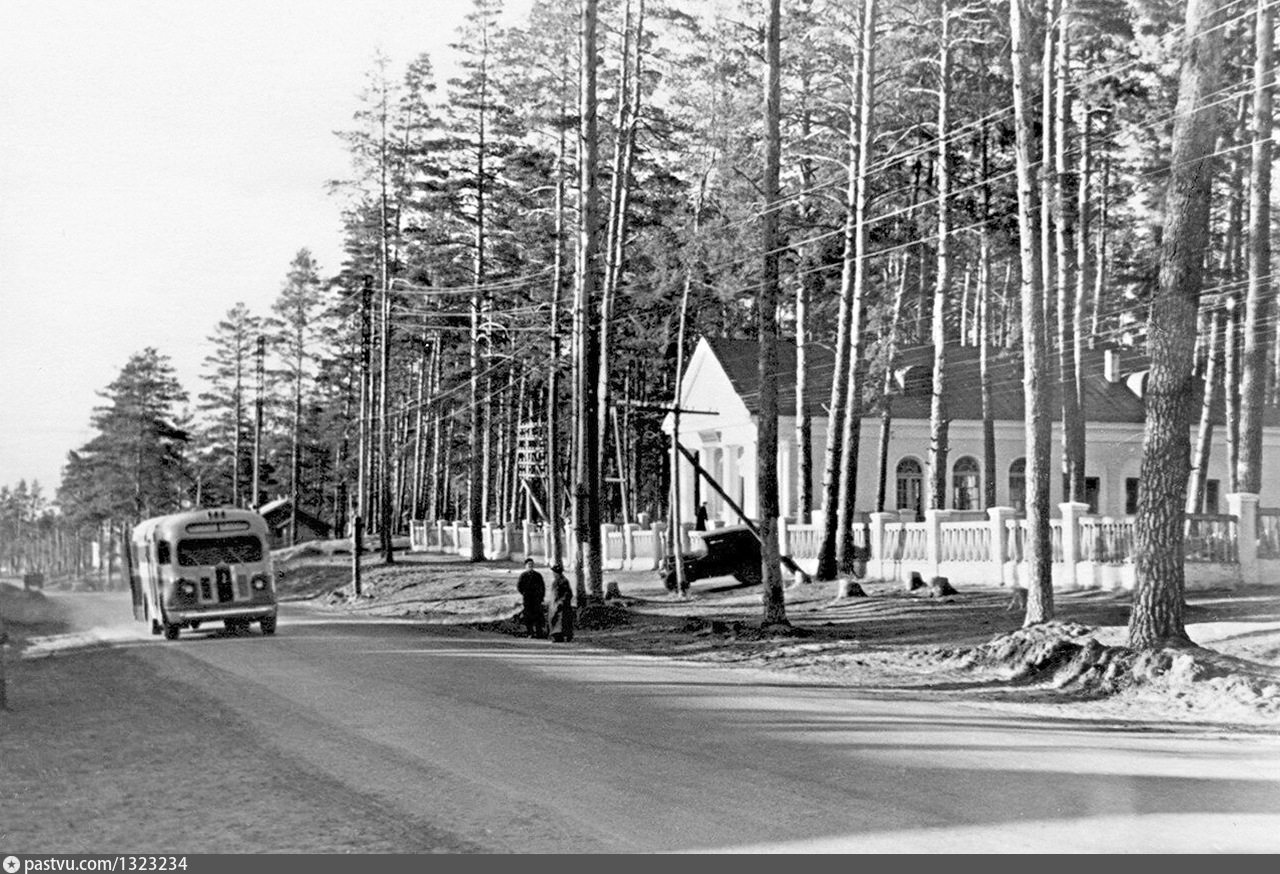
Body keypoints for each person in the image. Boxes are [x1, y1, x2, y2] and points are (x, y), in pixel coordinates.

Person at [516, 558, 547, 638]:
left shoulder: (538, 575)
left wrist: (541, 596)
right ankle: (530, 632)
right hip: (528, 600)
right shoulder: (523, 576)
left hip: (537, 599)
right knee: (528, 617)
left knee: (538, 617)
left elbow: (542, 587)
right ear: (525, 566)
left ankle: (539, 632)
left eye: (532, 564)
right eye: (529, 565)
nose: (531, 566)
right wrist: (525, 593)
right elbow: (519, 587)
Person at [548, 563, 575, 643]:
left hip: (561, 606)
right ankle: (555, 636)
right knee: (554, 620)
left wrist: (561, 602)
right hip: (554, 605)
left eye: (554, 572)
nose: (553, 574)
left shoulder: (564, 581)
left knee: (561, 622)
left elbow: (568, 594)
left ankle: (560, 636)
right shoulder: (555, 581)